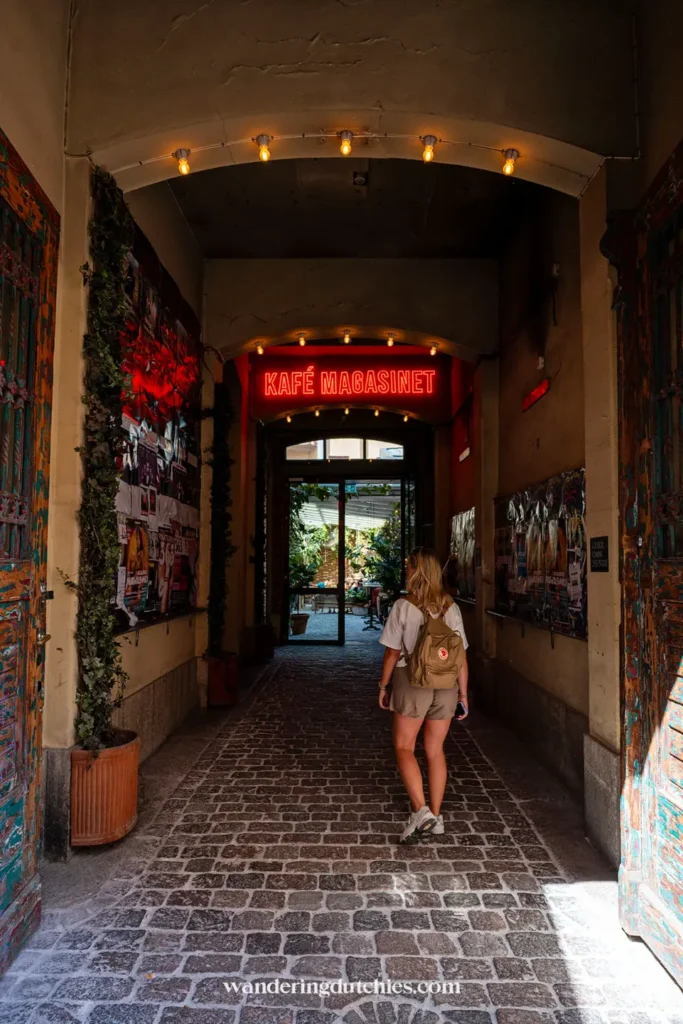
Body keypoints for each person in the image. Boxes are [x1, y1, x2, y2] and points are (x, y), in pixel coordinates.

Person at [378, 546, 469, 843]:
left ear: (417, 571)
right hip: (446, 686)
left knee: (405, 747)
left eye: (409, 566)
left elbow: (392, 652)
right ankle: (437, 816)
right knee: (435, 750)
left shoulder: (404, 606)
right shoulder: (450, 607)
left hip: (412, 681)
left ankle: (421, 811)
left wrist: (383, 686)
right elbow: (461, 656)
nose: (406, 571)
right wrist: (463, 695)